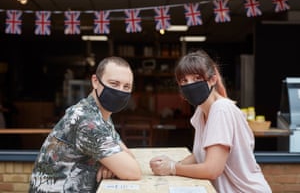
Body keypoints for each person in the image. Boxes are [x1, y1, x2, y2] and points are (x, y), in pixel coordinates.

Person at [149, 50, 271, 193]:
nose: (190, 85)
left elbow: (212, 169)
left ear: (212, 79)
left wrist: (172, 168)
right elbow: (200, 153)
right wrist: (171, 164)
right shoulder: (201, 111)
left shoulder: (221, 109)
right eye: (184, 81)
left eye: (197, 78)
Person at [29, 56, 142, 192]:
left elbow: (126, 154)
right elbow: (133, 172)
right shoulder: (87, 121)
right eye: (114, 84)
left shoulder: (99, 112)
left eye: (126, 86)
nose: (120, 91)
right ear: (95, 81)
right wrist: (115, 164)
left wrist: (111, 164)